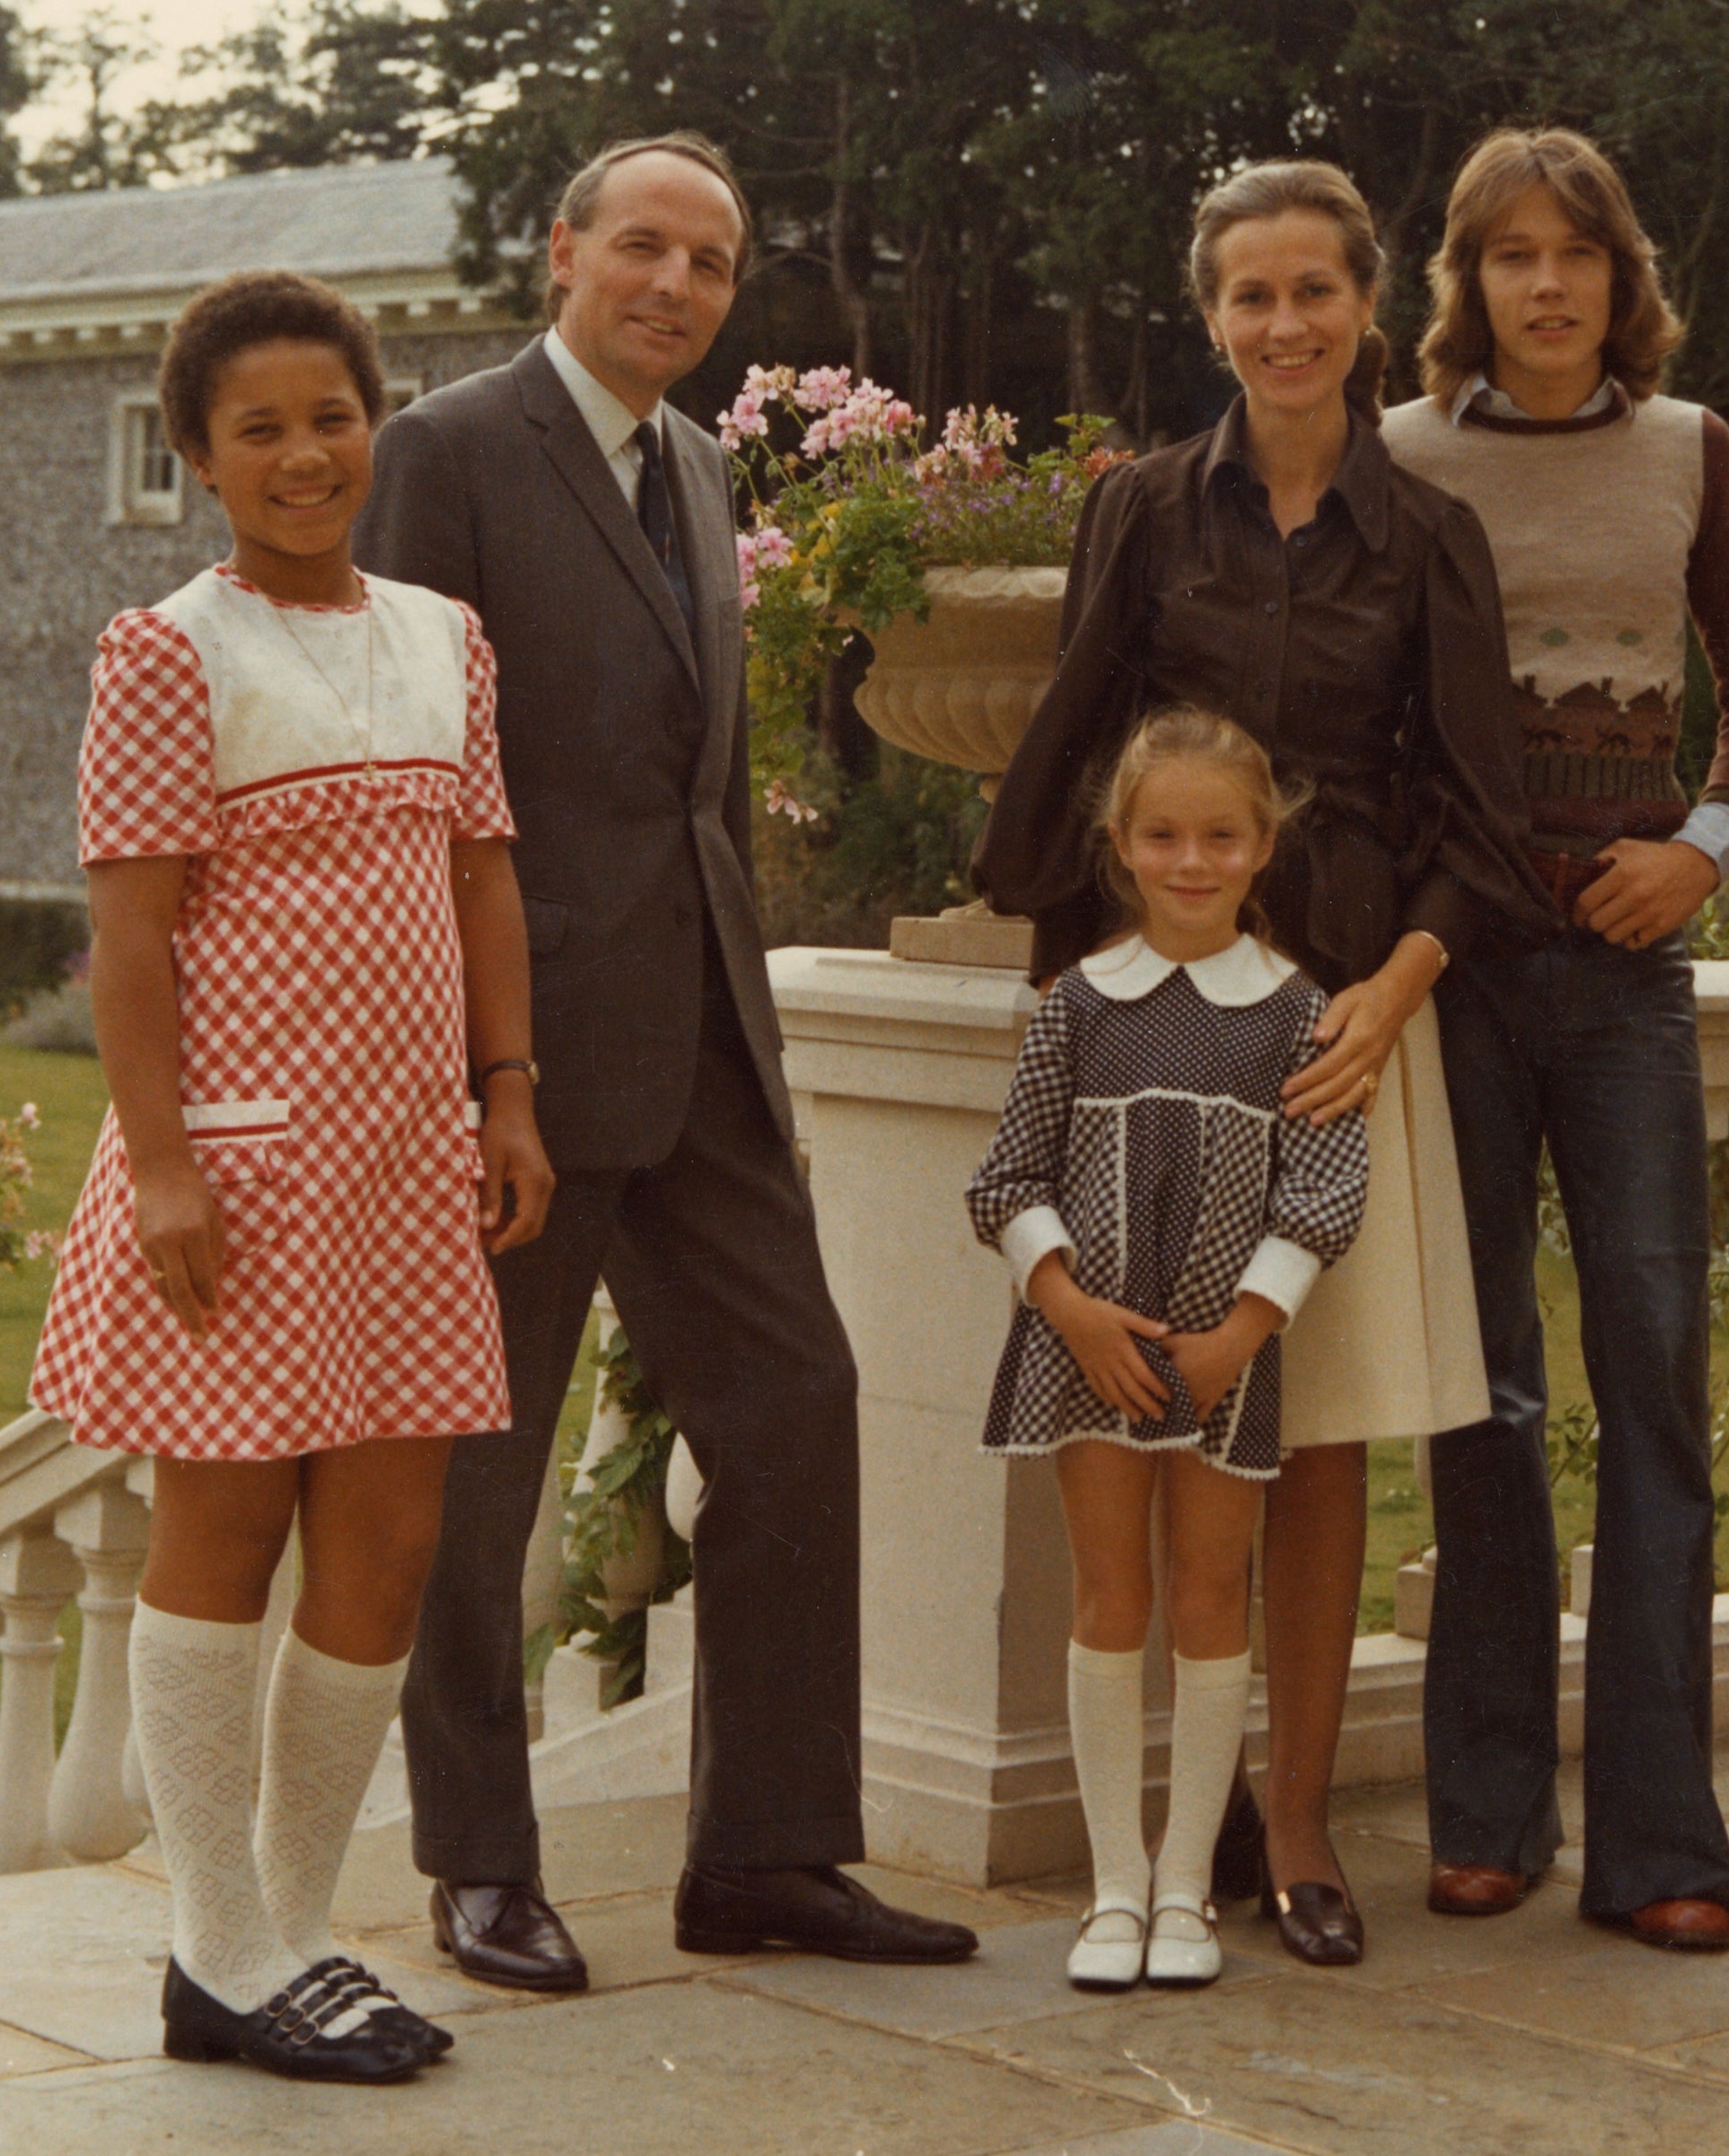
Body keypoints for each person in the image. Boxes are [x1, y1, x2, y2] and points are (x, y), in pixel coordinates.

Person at [356, 130, 976, 1987]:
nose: (677, 288)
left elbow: (688, 780)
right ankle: (476, 1861)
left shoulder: (698, 469)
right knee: (484, 1467)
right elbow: (403, 777)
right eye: (644, 248)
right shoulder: (447, 453)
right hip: (516, 1055)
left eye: (711, 265)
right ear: (563, 253)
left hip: (704, 1035)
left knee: (792, 1408)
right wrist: (467, 1068)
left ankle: (769, 1856)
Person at [979, 160, 1551, 1968]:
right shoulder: (1145, 513)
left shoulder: (1430, 534)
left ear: (1365, 309)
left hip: (1335, 1036)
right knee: (1156, 1440)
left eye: (1316, 291)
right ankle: (1151, 1842)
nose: (1285, 325)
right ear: (1208, 314)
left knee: (1304, 1441)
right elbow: (1076, 769)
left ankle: (1293, 1825)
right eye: (1251, 296)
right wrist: (1070, 1040)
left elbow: (1484, 818)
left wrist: (1388, 997)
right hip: (1156, 1044)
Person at [31, 270, 552, 2082]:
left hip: (411, 1165)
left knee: (391, 1541)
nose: (303, 452)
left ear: (372, 424)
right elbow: (132, 935)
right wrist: (165, 1165)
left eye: (329, 415)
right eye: (256, 427)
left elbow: (484, 879)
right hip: (240, 1170)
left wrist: (510, 1094)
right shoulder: (168, 650)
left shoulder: (442, 636)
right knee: (224, 1532)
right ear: (199, 456)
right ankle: (217, 1944)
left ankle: (299, 1923)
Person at [1378, 127, 1729, 1950]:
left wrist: (1701, 852)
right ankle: (1485, 1809)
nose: (1546, 286)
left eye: (1578, 256)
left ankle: (1662, 1840)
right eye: (1510, 256)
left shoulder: (1690, 451)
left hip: (1625, 983)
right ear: (1464, 281)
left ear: (1625, 278)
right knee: (1478, 1395)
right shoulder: (1399, 459)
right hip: (1455, 971)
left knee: (1653, 1387)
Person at [969, 708, 1372, 1992]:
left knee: (1209, 1598)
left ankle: (1189, 1884)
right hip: (1088, 1357)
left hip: (1223, 1362)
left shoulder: (1296, 1012)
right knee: (1111, 1600)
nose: (1190, 860)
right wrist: (1071, 1309)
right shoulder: (1079, 1005)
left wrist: (1236, 1338)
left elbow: (1322, 1190)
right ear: (1120, 845)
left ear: (1263, 847)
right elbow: (1007, 1177)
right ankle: (1114, 1888)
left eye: (1219, 835)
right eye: (1163, 834)